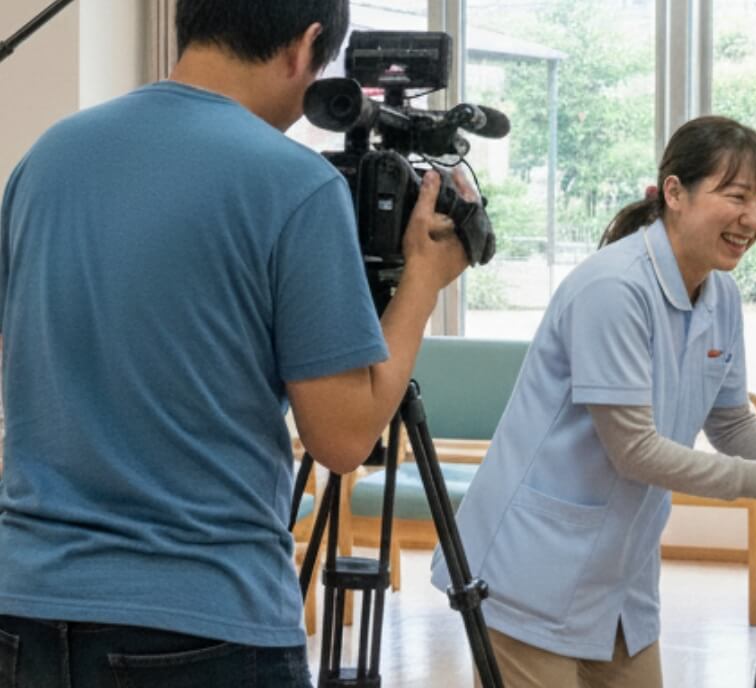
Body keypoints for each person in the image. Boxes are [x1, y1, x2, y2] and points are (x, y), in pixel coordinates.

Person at [0, 2, 467, 686]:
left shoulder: (45, 158)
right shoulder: (294, 184)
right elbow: (341, 439)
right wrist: (423, 283)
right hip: (201, 620)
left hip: (22, 606)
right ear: (306, 47)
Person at [431, 116, 756, 688]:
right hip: (532, 568)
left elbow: (733, 425)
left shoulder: (720, 294)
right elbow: (634, 451)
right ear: (675, 192)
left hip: (620, 577)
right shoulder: (615, 288)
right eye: (737, 196)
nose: (753, 219)